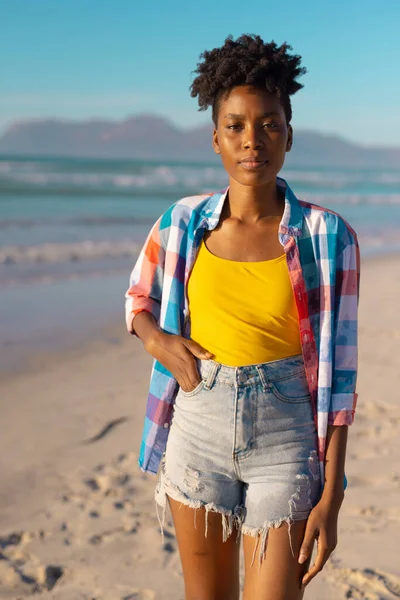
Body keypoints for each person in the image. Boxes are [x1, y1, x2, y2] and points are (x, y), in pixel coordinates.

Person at [125, 33, 360, 600]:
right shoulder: (182, 223)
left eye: (269, 124)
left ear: (289, 134)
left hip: (289, 437)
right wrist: (157, 340)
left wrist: (333, 492)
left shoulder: (328, 237)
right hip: (197, 425)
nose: (252, 141)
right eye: (235, 126)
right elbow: (138, 298)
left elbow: (342, 374)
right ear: (215, 138)